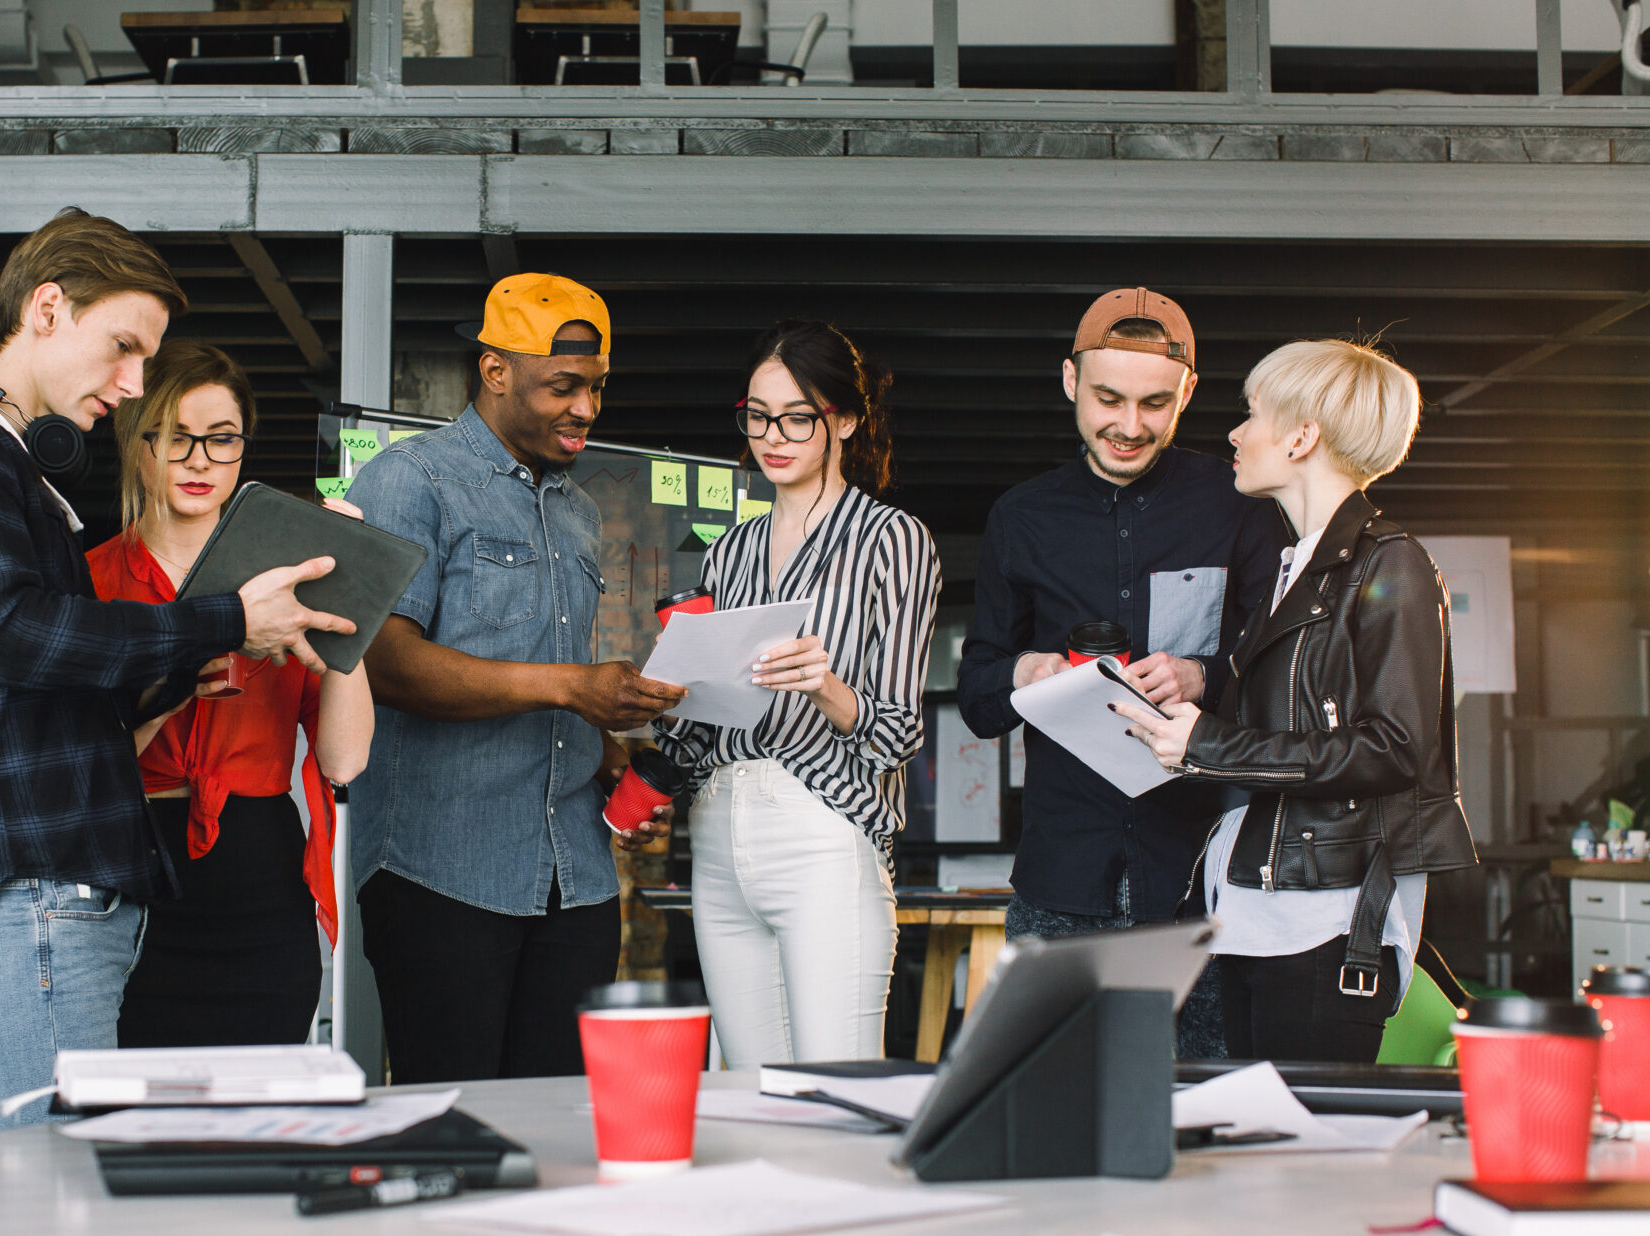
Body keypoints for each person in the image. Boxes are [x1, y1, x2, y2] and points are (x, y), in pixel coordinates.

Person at [0, 208, 352, 1142]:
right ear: (48, 308)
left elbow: (21, 669)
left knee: (29, 1192)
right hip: (35, 894)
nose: (133, 382)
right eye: (122, 347)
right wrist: (227, 617)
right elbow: (16, 635)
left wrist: (185, 665)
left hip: (40, 897)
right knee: (55, 1198)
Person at [348, 273, 686, 1085]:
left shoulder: (578, 509)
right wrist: (572, 688)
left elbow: (539, 663)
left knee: (562, 1122)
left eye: (597, 389)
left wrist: (603, 740)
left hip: (574, 877)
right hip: (443, 867)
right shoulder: (410, 480)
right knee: (456, 1114)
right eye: (563, 386)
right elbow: (385, 662)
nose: (585, 410)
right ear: (495, 371)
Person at [1113, 339, 1477, 1062]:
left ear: (1303, 435)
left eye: (1252, 414)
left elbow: (1395, 747)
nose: (1235, 434)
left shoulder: (1391, 563)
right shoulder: (1294, 567)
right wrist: (1181, 727)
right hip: (1258, 906)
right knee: (1267, 1143)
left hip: (1327, 916)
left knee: (1308, 1151)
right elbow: (1289, 735)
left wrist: (1207, 744)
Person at [955, 288, 1286, 1055]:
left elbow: (1284, 675)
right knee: (1057, 1108)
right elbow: (976, 697)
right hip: (1063, 877)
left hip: (1206, 879)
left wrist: (1207, 676)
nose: (1130, 426)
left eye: (1155, 404)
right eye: (1108, 398)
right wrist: (1023, 671)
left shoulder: (1239, 505)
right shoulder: (1021, 517)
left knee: (1209, 1117)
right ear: (1070, 380)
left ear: (1188, 394)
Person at [657, 319, 939, 1065]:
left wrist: (827, 685)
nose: (771, 436)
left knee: (837, 1087)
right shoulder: (727, 551)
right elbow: (690, 739)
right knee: (753, 1092)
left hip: (822, 827)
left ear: (844, 420)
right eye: (756, 415)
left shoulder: (893, 539)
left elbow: (898, 733)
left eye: (796, 417)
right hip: (716, 832)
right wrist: (670, 691)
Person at [87, 341, 374, 1048]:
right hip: (128, 878)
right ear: (137, 441)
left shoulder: (287, 581)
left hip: (259, 885)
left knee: (259, 1125)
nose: (199, 461)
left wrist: (350, 604)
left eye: (222, 440)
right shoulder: (91, 579)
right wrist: (179, 677)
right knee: (136, 1125)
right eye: (177, 437)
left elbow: (343, 760)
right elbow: (74, 763)